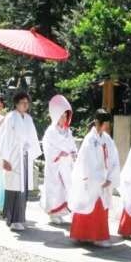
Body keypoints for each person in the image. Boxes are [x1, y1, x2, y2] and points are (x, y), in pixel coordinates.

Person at [68, 109, 121, 247]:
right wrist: (99, 178)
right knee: (88, 206)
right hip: (92, 179)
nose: (107, 128)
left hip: (104, 179)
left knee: (100, 208)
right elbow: (87, 161)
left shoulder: (107, 139)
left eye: (108, 126)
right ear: (98, 123)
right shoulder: (90, 139)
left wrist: (110, 177)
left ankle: (96, 236)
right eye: (105, 125)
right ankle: (89, 236)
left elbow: (114, 158)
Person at [0, 91, 41, 231]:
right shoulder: (10, 117)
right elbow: (4, 138)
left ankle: (20, 217)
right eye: (23, 102)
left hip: (25, 156)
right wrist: (5, 159)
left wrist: (31, 149)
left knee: (23, 189)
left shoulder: (28, 118)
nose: (25, 105)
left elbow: (33, 137)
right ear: (16, 103)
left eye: (27, 103)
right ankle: (13, 219)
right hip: (13, 156)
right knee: (14, 188)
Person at [40, 95, 77, 224]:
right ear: (55, 116)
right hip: (55, 165)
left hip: (66, 165)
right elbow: (47, 147)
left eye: (65, 116)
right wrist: (58, 154)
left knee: (65, 189)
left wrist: (73, 153)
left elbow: (72, 146)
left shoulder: (68, 131)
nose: (64, 119)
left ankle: (61, 212)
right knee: (54, 188)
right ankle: (53, 212)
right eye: (61, 116)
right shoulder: (50, 132)